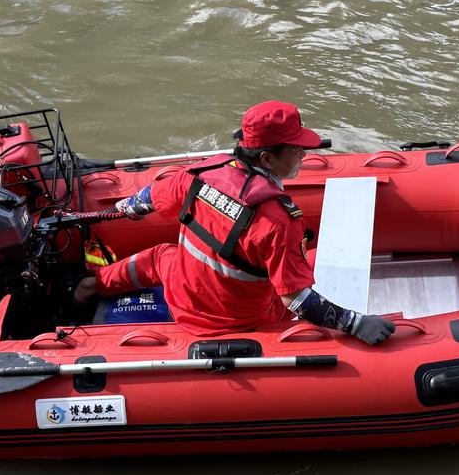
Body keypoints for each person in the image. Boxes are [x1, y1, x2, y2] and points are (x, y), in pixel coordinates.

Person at [73, 101, 395, 344]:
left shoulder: (198, 175)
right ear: (267, 159)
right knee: (309, 264)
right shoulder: (278, 220)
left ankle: (92, 285)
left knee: (162, 255)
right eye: (296, 150)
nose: (303, 155)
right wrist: (355, 324)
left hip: (183, 290)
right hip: (230, 320)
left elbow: (147, 198)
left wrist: (127, 205)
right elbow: (297, 301)